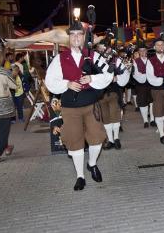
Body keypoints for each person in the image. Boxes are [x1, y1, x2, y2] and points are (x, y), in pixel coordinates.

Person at [45, 20, 113, 191]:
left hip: (90, 104)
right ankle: (80, 176)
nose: (76, 37)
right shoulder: (60, 58)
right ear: (69, 38)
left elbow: (108, 75)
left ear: (84, 37)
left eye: (79, 34)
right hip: (70, 107)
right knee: (75, 141)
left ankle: (92, 164)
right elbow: (50, 81)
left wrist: (92, 78)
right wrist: (67, 84)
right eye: (73, 34)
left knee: (97, 139)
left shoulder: (93, 55)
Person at [100, 47, 130, 150]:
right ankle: (110, 140)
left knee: (115, 115)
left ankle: (116, 138)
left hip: (114, 92)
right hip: (101, 94)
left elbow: (124, 76)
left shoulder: (116, 60)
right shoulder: (96, 59)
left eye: (106, 48)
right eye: (101, 47)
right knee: (106, 118)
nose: (104, 50)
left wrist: (118, 78)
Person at [133, 37, 155, 128]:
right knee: (142, 102)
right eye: (140, 51)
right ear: (138, 52)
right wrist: (146, 76)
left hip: (151, 84)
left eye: (144, 50)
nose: (142, 53)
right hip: (141, 84)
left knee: (152, 101)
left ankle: (153, 119)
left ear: (146, 51)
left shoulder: (151, 60)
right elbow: (135, 74)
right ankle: (145, 120)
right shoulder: (135, 61)